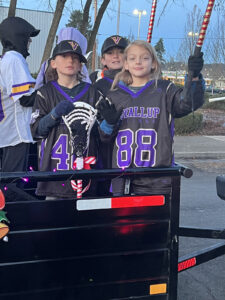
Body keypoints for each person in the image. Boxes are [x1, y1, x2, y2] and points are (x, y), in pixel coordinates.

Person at [97, 40, 205, 196]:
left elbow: (188, 103)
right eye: (133, 58)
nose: (138, 62)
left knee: (154, 221)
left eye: (144, 58)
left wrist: (194, 77)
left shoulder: (164, 90)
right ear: (125, 64)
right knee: (125, 220)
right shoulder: (115, 95)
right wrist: (109, 123)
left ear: (153, 63)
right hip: (122, 178)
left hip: (156, 179)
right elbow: (104, 138)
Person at [30, 40, 99, 199]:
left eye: (75, 58)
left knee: (83, 222)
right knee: (55, 220)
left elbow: (102, 135)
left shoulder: (92, 92)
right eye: (64, 56)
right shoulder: (45, 93)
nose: (70, 61)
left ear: (81, 65)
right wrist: (53, 115)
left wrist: (106, 124)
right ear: (53, 63)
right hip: (54, 177)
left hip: (84, 174)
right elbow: (36, 132)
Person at [0, 16, 40, 174]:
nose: (29, 43)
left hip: (7, 131)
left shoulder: (4, 59)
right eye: (27, 39)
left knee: (9, 181)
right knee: (12, 183)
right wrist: (51, 88)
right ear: (17, 37)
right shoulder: (14, 59)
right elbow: (25, 98)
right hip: (16, 133)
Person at [90, 35, 128, 196]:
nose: (116, 55)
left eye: (121, 51)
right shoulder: (94, 84)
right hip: (104, 152)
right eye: (110, 52)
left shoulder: (140, 81)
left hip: (130, 148)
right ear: (103, 59)